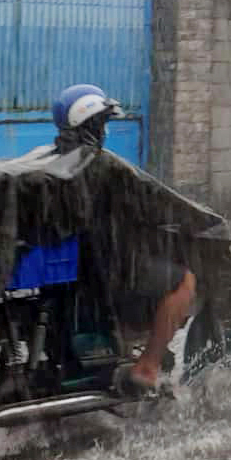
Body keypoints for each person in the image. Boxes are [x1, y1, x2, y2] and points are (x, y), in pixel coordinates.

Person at [51, 83, 195, 395]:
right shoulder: (101, 165)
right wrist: (194, 218)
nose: (104, 130)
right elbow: (154, 202)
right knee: (183, 281)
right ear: (90, 126)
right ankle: (147, 367)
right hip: (108, 270)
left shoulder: (56, 159)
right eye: (101, 123)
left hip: (81, 270)